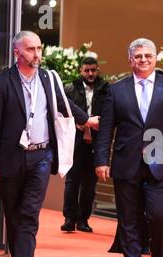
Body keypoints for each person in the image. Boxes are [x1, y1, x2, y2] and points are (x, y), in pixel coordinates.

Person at [0, 31, 99, 257]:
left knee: (29, 213)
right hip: (10, 158)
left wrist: (86, 119)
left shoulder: (48, 77)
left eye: (39, 48)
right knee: (14, 215)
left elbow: (62, 102)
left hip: (41, 155)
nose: (37, 54)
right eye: (31, 49)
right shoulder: (1, 82)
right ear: (17, 53)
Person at [95, 38, 163, 257]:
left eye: (148, 55)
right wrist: (102, 159)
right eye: (138, 56)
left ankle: (157, 252)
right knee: (128, 220)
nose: (143, 60)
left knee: (159, 214)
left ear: (155, 58)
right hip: (126, 164)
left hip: (160, 162)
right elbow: (106, 128)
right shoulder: (116, 90)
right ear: (130, 60)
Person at [61, 57, 109, 233]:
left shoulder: (106, 89)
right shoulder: (70, 88)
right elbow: (62, 112)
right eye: (87, 70)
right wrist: (76, 123)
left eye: (93, 70)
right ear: (81, 70)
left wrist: (99, 122)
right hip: (76, 141)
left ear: (97, 70)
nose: (90, 74)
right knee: (72, 181)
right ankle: (69, 218)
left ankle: (83, 220)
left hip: (96, 142)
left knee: (90, 184)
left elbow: (111, 114)